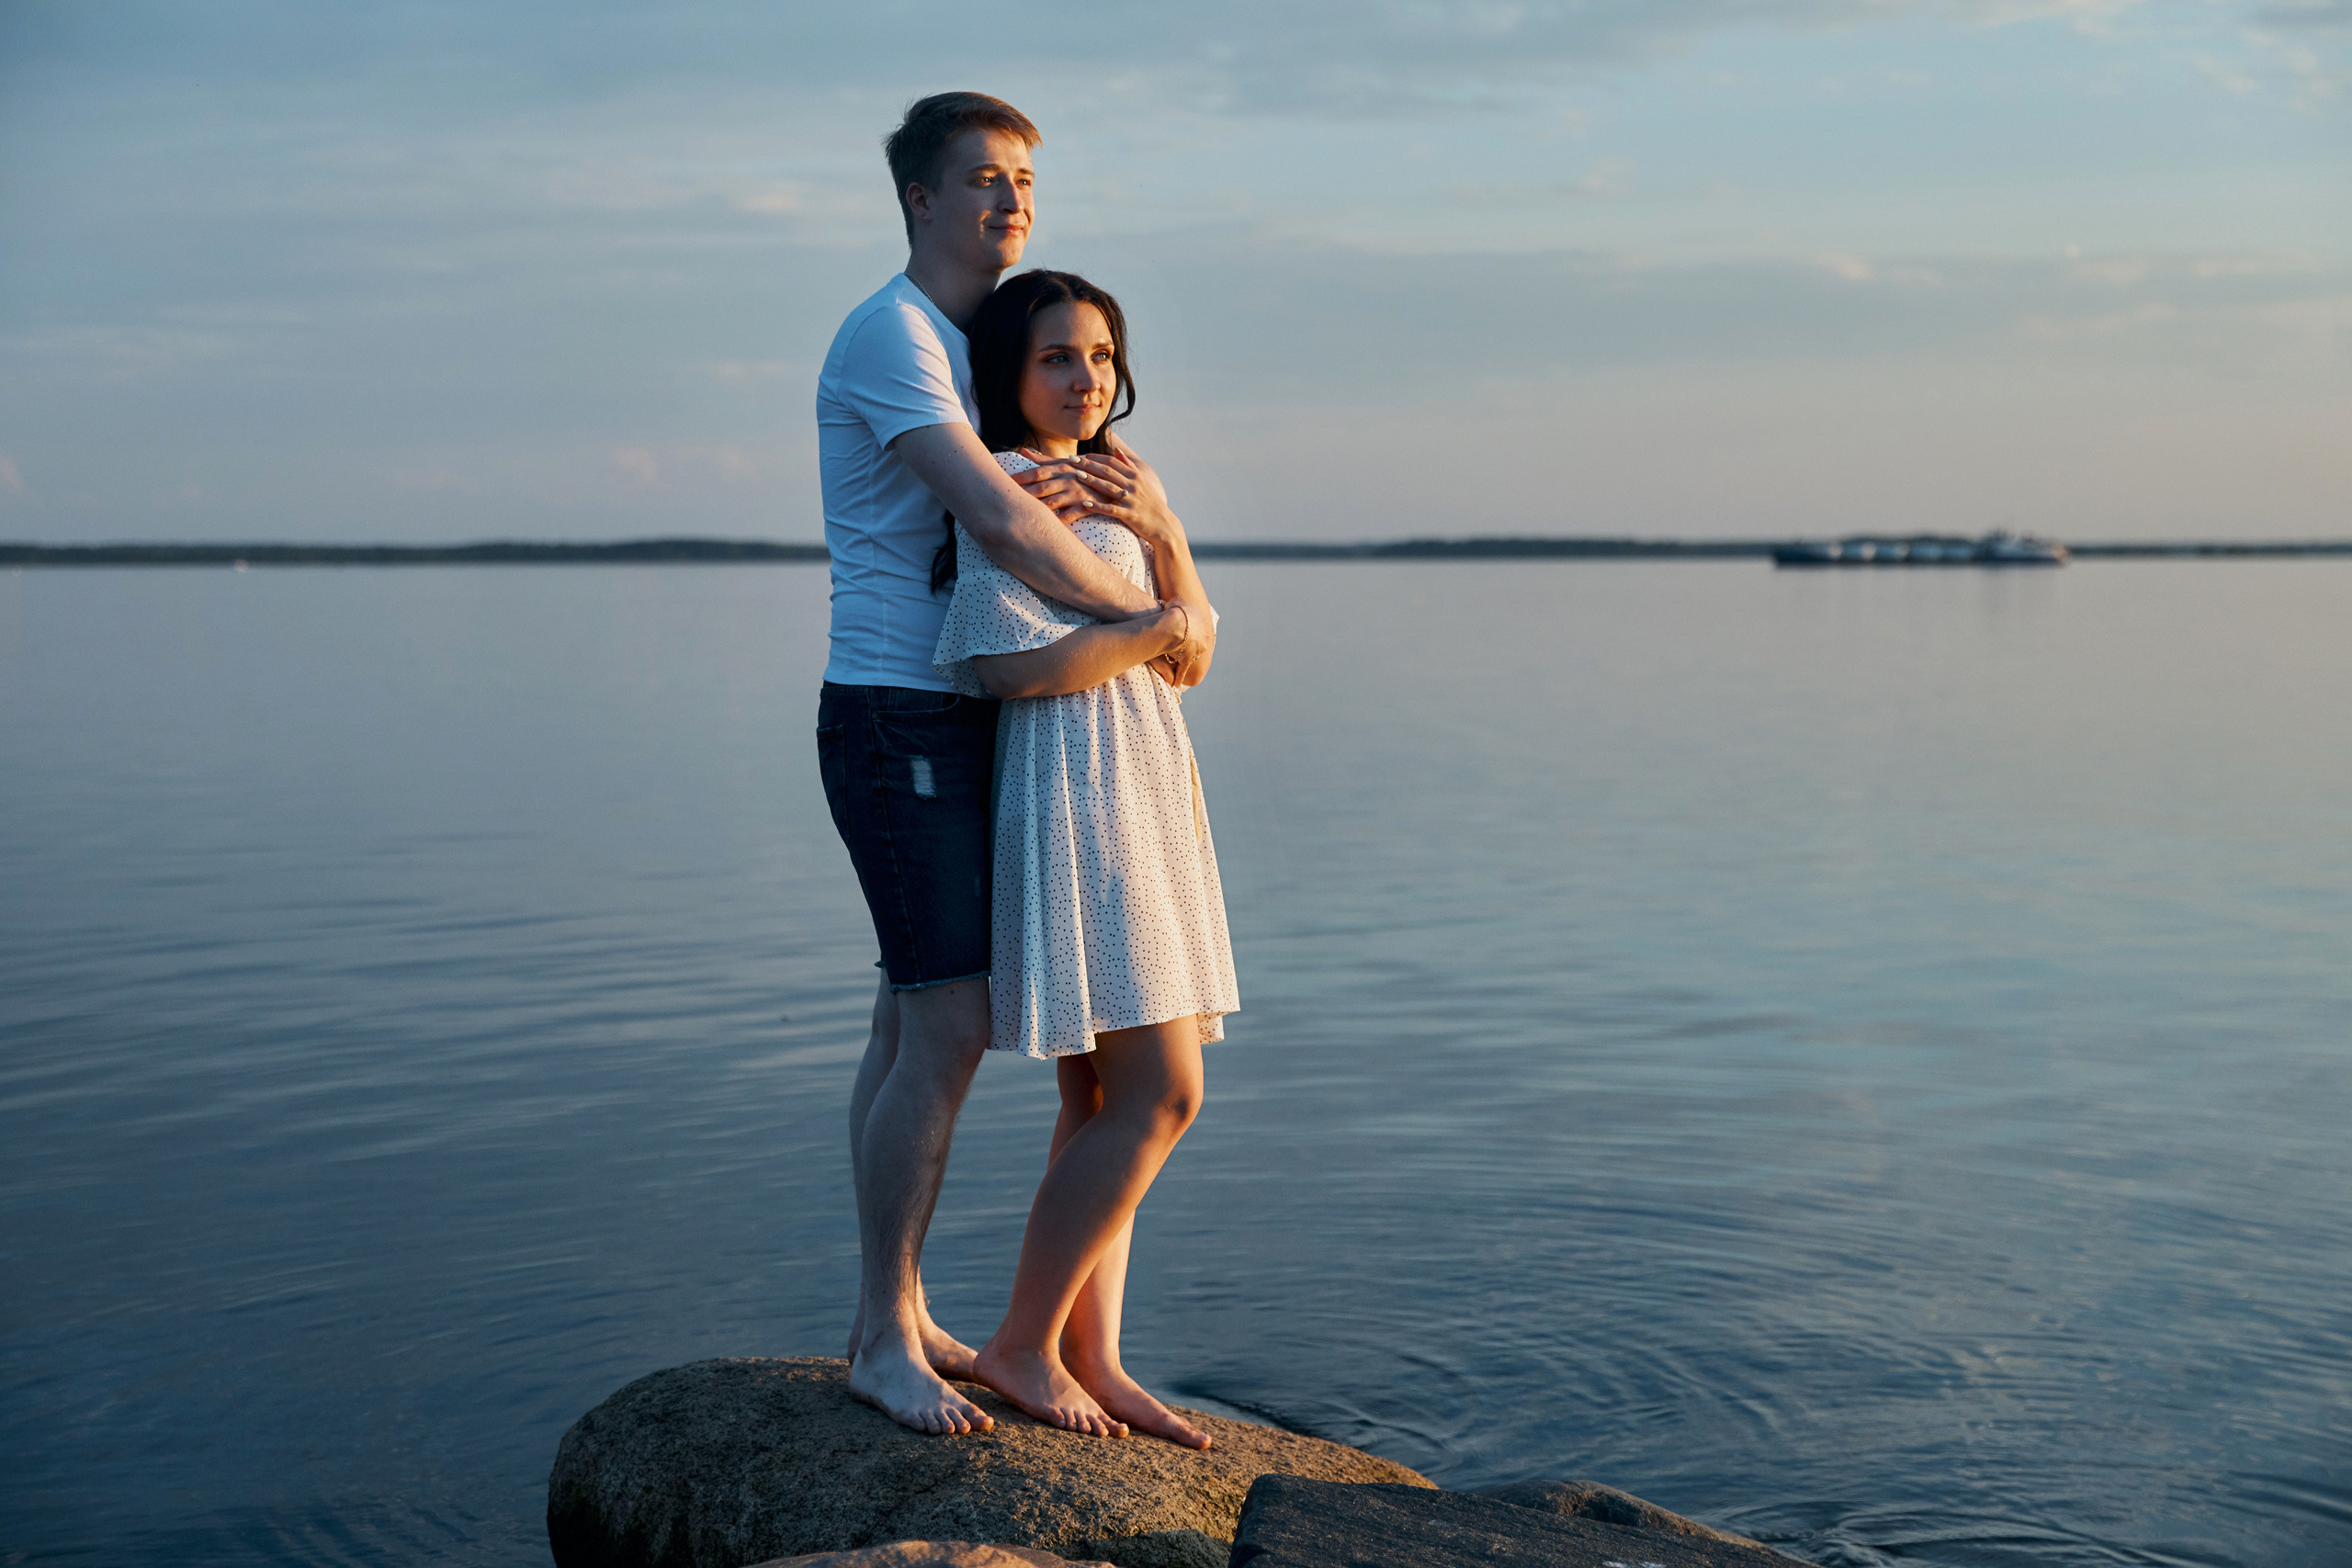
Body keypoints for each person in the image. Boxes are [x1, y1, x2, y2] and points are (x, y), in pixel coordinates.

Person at [814, 93, 1215, 1437]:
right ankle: (886, 1330)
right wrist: (1153, 621)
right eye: (981, 179)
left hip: (967, 725)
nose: (1009, 200)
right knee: (947, 1021)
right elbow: (991, 514)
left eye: (1024, 180)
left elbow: (1055, 502)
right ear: (920, 197)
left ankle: (909, 1307)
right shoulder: (894, 336)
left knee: (911, 1020)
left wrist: (1163, 557)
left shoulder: (970, 347)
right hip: (899, 709)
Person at [933, 270, 1238, 1449]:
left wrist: (1163, 531)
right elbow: (1004, 666)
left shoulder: (1124, 479)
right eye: (1058, 356)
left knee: (1099, 1095)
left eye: (1102, 356)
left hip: (1145, 776)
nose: (1086, 378)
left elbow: (1198, 653)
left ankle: (1088, 1352)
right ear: (1009, 371)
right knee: (1162, 1091)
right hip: (1077, 788)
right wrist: (1156, 628)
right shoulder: (1004, 483)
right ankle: (1021, 1340)